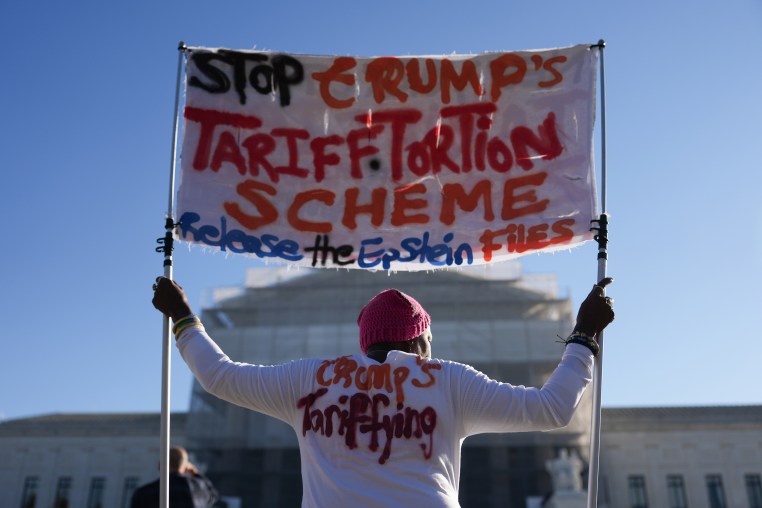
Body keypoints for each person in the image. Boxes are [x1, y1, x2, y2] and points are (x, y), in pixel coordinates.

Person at [152, 276, 614, 507]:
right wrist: (585, 335)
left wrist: (183, 317)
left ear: (365, 341)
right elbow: (554, 408)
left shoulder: (308, 379)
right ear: (420, 340)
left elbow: (218, 375)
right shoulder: (448, 379)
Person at [130, 446, 218, 508]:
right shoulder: (198, 490)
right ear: (186, 467)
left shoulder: (144, 493)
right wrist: (195, 473)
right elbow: (213, 494)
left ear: (160, 466)